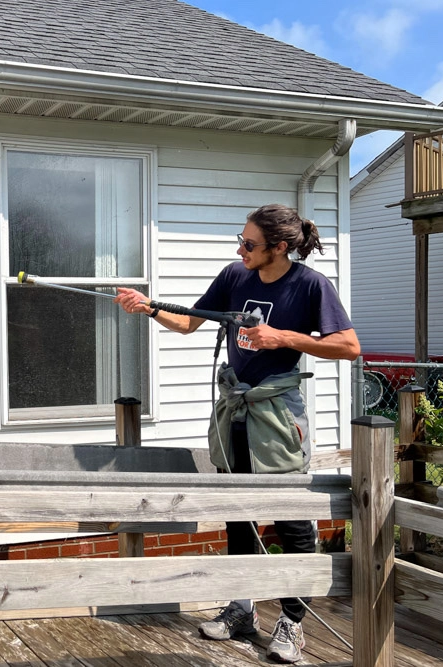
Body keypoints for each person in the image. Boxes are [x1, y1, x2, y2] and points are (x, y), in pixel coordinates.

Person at [114, 203, 360, 664]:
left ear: (280, 247)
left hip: (277, 415)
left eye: (250, 244)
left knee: (289, 516)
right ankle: (242, 606)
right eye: (240, 240)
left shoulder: (308, 285)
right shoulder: (235, 276)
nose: (240, 249)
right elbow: (188, 323)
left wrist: (283, 338)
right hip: (236, 409)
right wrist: (147, 308)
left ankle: (293, 619)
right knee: (237, 509)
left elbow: (348, 345)